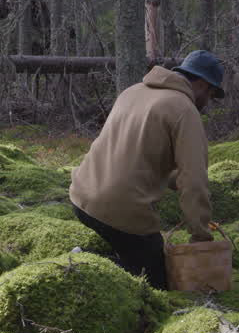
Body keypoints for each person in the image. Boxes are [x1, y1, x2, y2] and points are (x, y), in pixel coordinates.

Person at [68, 50, 224, 290]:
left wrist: (174, 179)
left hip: (81, 196)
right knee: (159, 279)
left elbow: (133, 155)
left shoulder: (133, 92)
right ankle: (83, 263)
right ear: (202, 83)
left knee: (138, 253)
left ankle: (87, 257)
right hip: (119, 210)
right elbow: (195, 182)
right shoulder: (184, 110)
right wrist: (200, 237)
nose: (207, 102)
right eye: (211, 93)